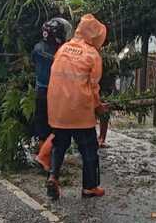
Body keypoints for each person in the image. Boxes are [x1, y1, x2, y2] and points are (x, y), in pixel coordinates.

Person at [45, 14, 107, 200]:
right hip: (80, 110)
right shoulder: (92, 54)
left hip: (58, 108)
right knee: (89, 149)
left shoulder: (63, 48)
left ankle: (53, 176)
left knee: (59, 145)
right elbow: (93, 86)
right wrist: (98, 107)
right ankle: (90, 187)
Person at [32, 17, 71, 171]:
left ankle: (44, 162)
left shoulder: (37, 48)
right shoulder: (59, 54)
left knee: (42, 128)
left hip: (40, 92)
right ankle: (44, 159)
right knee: (58, 128)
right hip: (54, 94)